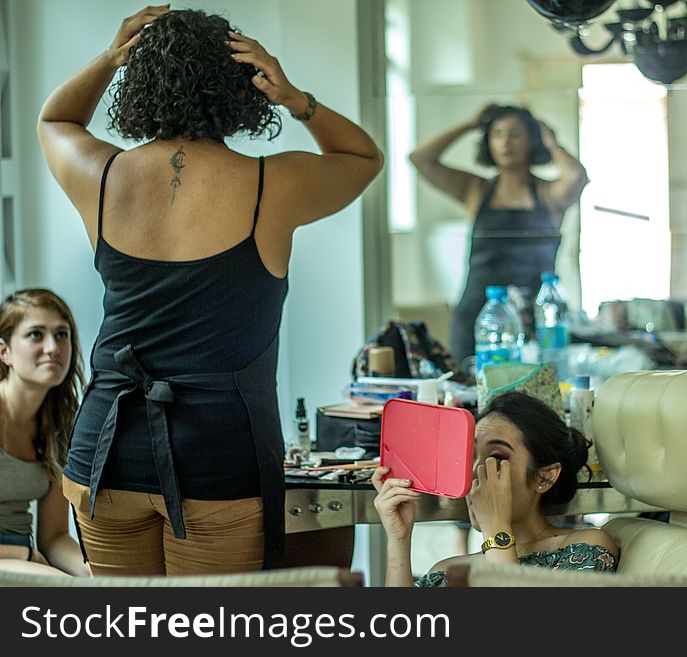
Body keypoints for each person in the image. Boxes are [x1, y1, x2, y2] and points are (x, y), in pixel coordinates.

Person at [37, 6, 383, 575]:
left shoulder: (100, 175)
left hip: (104, 454)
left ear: (138, 82)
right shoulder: (273, 183)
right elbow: (361, 157)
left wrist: (108, 58)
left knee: (129, 633)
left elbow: (55, 121)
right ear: (242, 85)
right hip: (220, 459)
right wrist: (295, 97)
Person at [371, 391, 618, 587]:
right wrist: (399, 540)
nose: (474, 473)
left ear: (545, 477)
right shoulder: (445, 573)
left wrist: (496, 531)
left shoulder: (586, 548)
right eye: (470, 456)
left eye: (497, 458)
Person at [409, 104, 588, 363]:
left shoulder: (548, 195)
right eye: (496, 133)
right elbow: (420, 159)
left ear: (532, 140)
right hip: (477, 319)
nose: (505, 142)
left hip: (534, 322)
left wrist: (551, 142)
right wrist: (469, 124)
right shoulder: (476, 190)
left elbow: (576, 176)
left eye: (515, 134)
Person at [0, 289, 90, 577]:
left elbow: (54, 538)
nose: (53, 348)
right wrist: (23, 555)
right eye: (36, 335)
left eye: (61, 335)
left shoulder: (61, 425)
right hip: (18, 557)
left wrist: (94, 574)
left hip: (26, 560)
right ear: (5, 352)